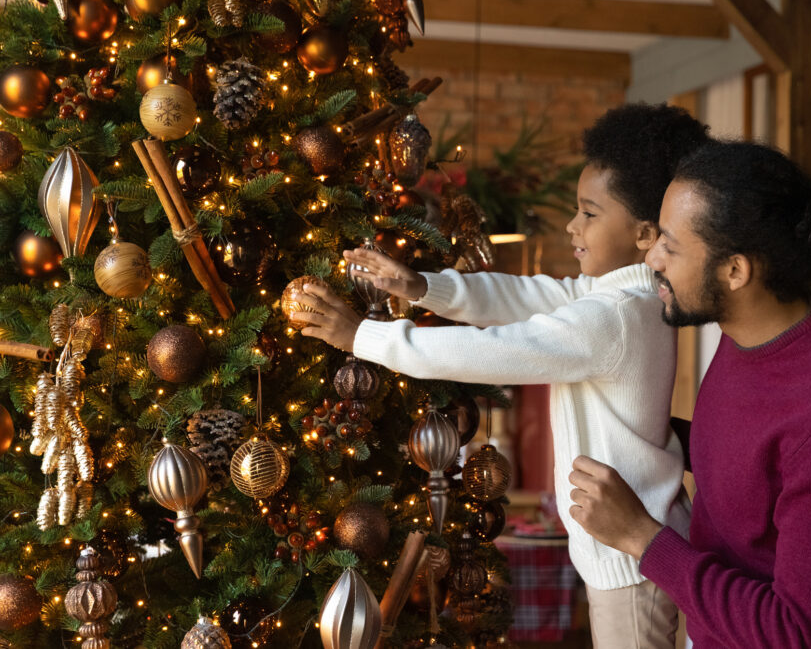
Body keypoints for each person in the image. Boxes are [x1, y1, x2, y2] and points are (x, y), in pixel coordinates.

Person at [294, 103, 710, 648]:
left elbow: (494, 351)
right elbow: (524, 295)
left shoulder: (617, 316)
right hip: (628, 548)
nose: (571, 225)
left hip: (629, 559)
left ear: (643, 234)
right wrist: (423, 287)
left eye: (588, 213)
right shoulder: (614, 297)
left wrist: (361, 338)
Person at [568, 140, 811, 648]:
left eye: (671, 246)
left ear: (735, 271)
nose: (651, 256)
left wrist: (640, 537)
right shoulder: (745, 336)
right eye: (658, 234)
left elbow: (797, 635)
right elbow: (751, 469)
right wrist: (639, 433)